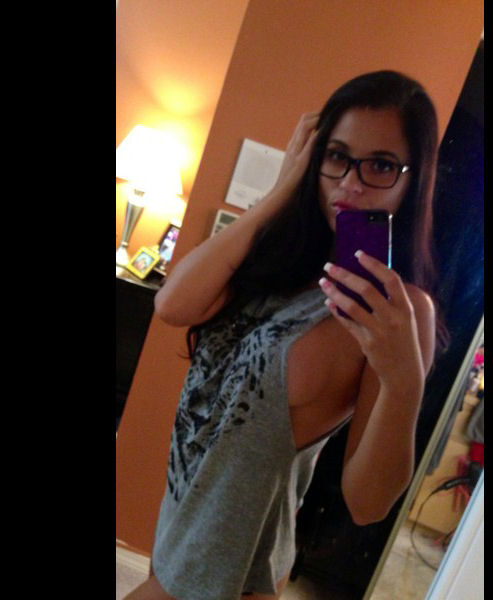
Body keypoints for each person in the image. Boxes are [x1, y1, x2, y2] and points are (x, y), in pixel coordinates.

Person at [124, 70, 447, 600]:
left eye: (381, 165)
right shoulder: (276, 260)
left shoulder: (398, 311)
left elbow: (367, 504)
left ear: (413, 180)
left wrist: (404, 383)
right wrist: (279, 191)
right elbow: (172, 305)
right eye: (338, 156)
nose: (351, 183)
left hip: (232, 577)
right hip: (180, 539)